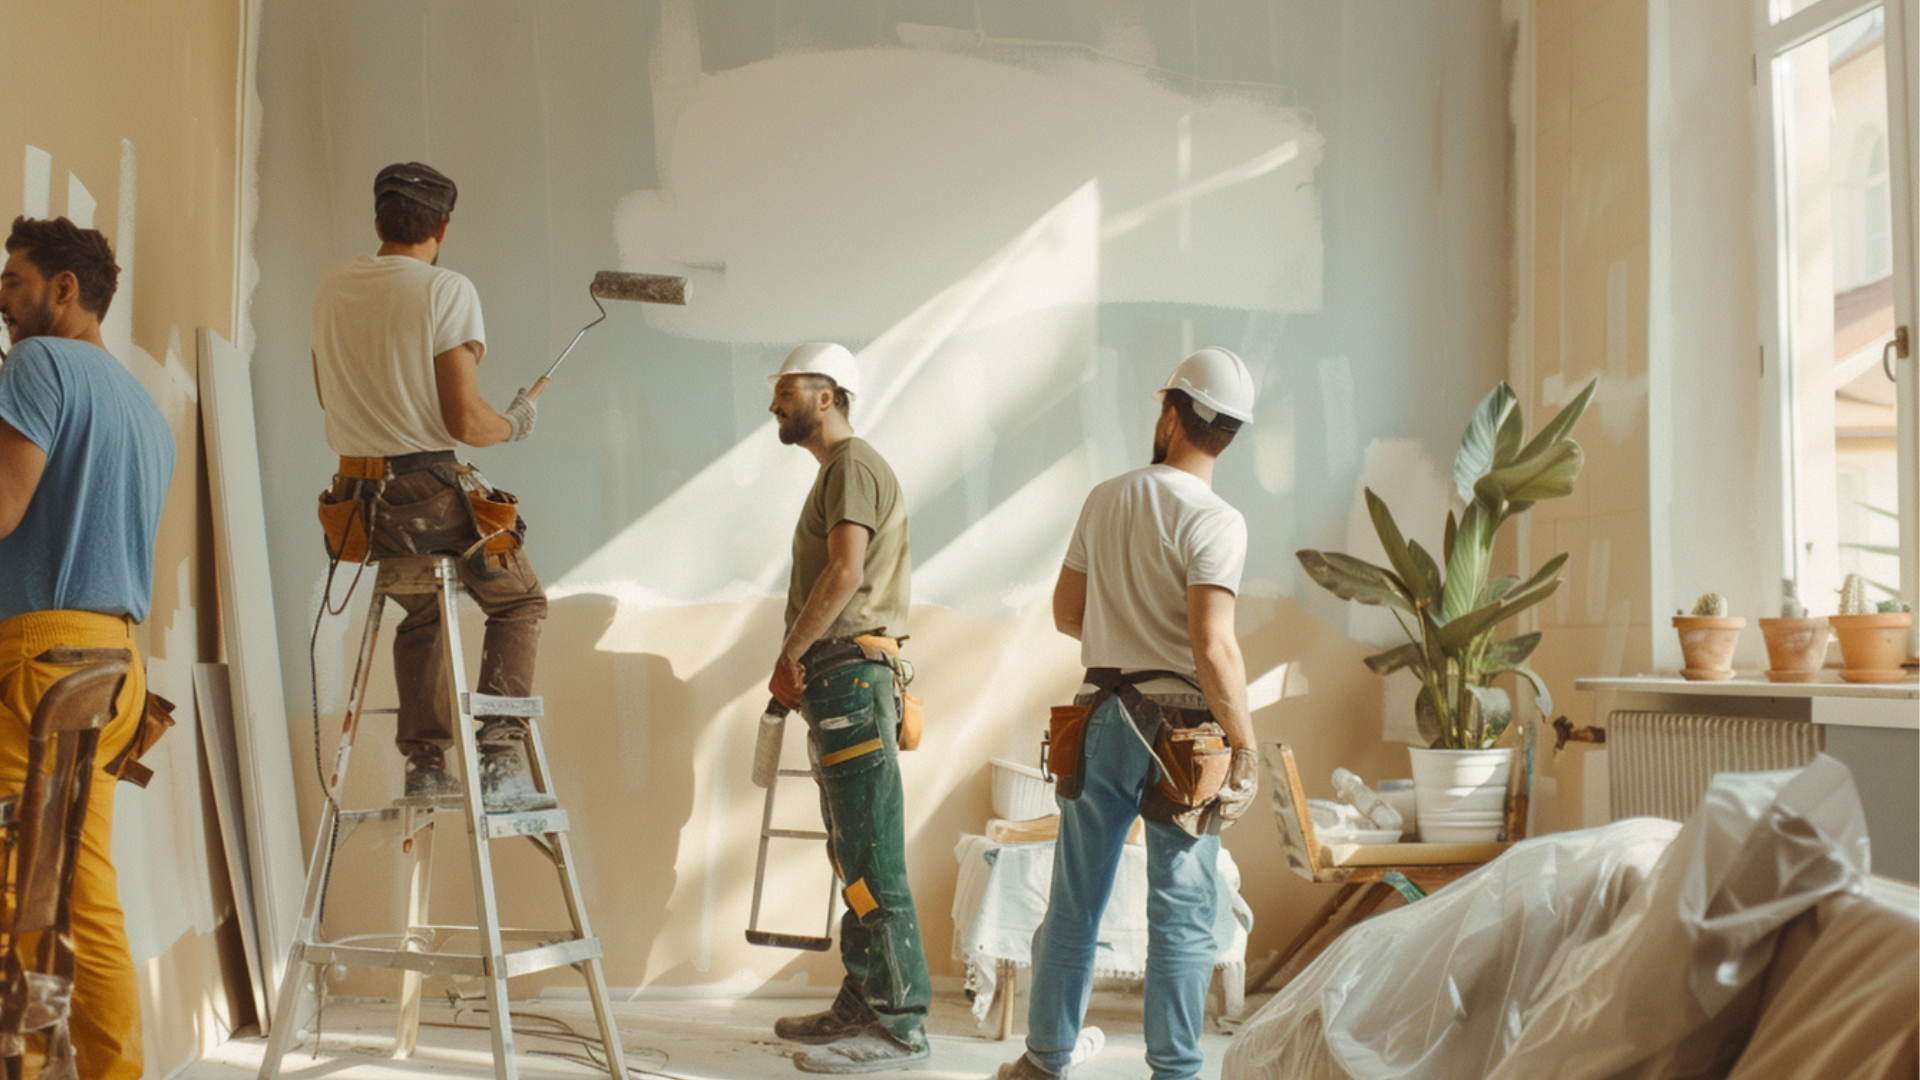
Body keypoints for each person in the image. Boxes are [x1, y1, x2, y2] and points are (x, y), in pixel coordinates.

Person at [1000, 348, 1264, 1080]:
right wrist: (1245, 749)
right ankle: (1175, 1072)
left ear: (1173, 415)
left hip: (1098, 716)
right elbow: (1213, 647)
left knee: (1075, 900)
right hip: (1181, 734)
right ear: (1230, 434)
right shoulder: (1218, 521)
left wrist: (1124, 622)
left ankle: (1044, 1059)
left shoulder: (1107, 497)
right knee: (1180, 911)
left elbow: (1066, 614)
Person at [310, 162, 550, 812]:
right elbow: (466, 422)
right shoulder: (446, 289)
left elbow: (325, 393)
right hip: (425, 496)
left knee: (421, 612)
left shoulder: (334, 286)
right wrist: (515, 424)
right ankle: (500, 759)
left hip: (357, 504)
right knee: (519, 602)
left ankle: (425, 763)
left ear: (379, 218)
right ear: (442, 226)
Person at [0, 215, 173, 1080]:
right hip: (115, 666)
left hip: (44, 661)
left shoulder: (36, 364)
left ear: (65, 290)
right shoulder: (143, 406)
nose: (3, 298)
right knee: (79, 890)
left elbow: (2, 507)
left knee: (12, 889)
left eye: (16, 280)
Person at [764, 342, 931, 1073]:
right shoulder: (840, 472)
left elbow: (845, 571)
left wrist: (790, 654)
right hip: (842, 685)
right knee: (850, 854)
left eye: (785, 390)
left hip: (848, 681)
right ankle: (863, 999)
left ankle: (900, 1023)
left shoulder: (853, 467)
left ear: (826, 395)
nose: (774, 403)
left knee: (871, 858)